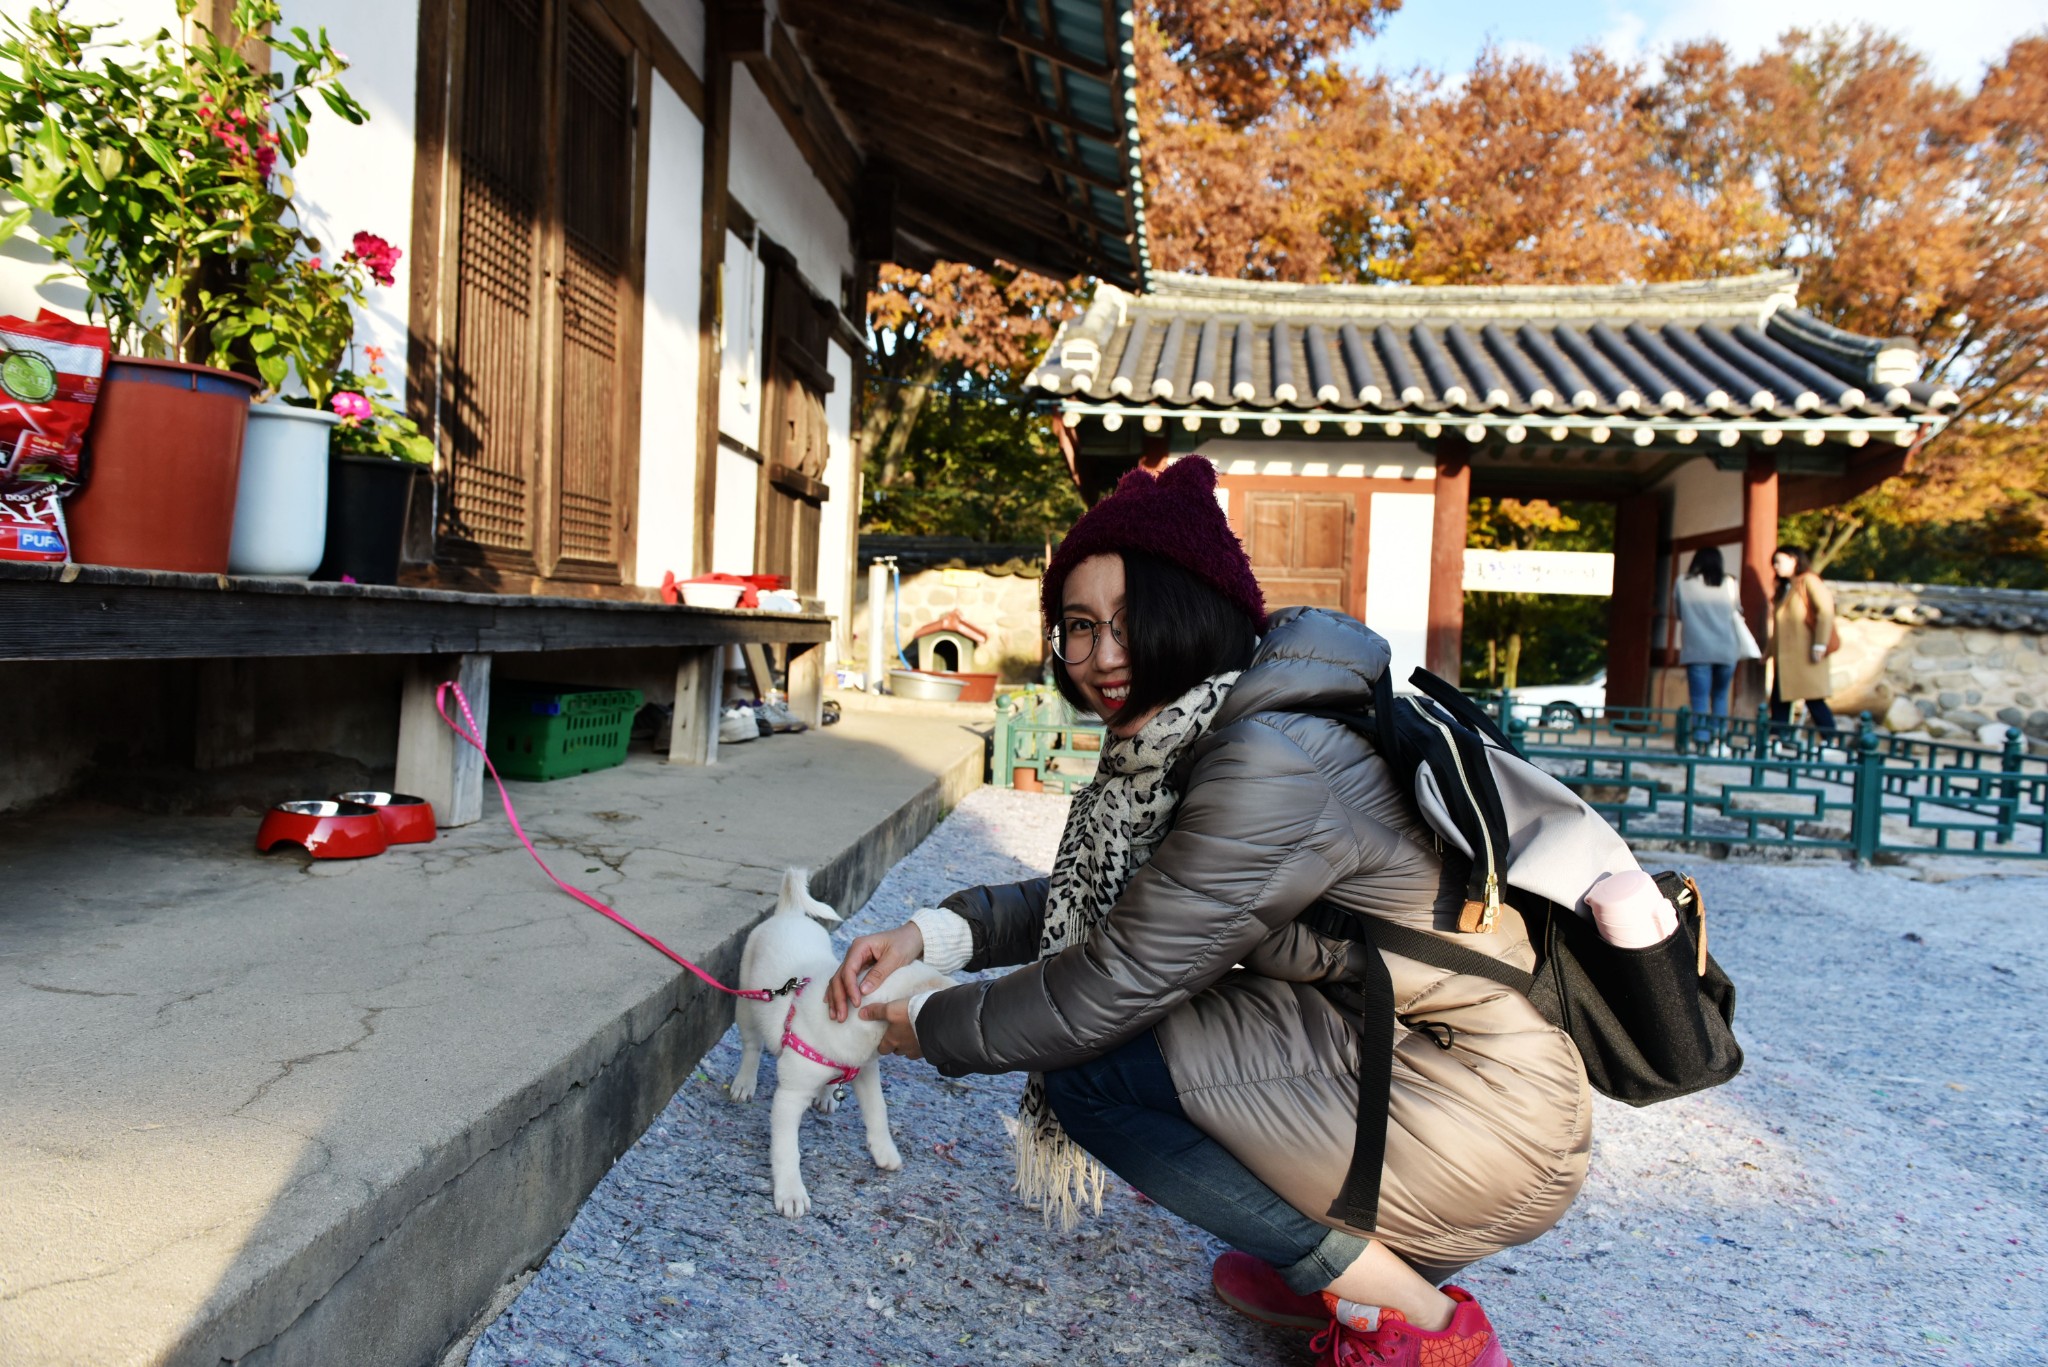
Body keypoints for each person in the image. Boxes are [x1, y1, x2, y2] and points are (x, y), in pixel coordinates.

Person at [827, 457, 1590, 1367]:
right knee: (1148, 1029)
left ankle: (1415, 1317)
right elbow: (1127, 905)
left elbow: (1113, 978)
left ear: (1198, 612)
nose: (1105, 655)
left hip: (1488, 1112)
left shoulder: (1267, 762)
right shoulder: (1216, 730)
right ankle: (1337, 1262)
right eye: (1079, 626)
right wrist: (934, 933)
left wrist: (931, 1022)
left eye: (1132, 621)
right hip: (1410, 1060)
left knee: (1095, 1070)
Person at [1673, 546, 1748, 752]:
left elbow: (1679, 613)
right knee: (1721, 696)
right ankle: (1720, 741)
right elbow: (1737, 610)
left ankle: (1701, 741)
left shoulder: (1682, 582)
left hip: (1697, 649)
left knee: (1699, 698)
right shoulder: (1730, 583)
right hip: (1726, 649)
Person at [1767, 544, 1838, 740]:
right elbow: (1780, 627)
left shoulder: (1809, 581)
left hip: (1807, 653)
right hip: (1787, 657)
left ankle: (1831, 739)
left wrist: (1819, 644)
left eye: (1779, 561)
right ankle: (1777, 739)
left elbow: (1825, 611)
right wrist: (1767, 653)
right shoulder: (1787, 587)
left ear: (1794, 559)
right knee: (1780, 699)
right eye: (1774, 562)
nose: (1775, 566)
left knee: (1814, 699)